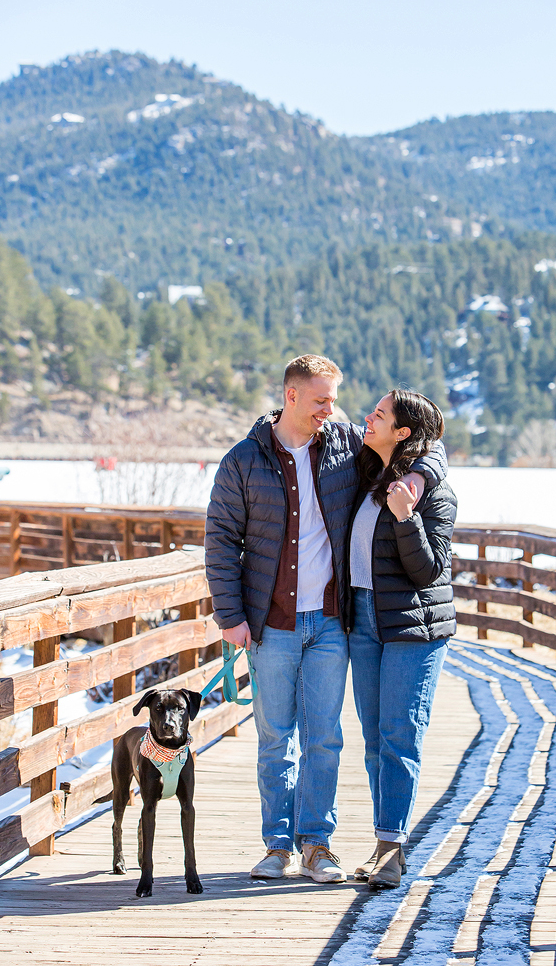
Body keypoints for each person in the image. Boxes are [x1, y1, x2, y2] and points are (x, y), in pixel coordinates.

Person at [204, 356, 447, 883]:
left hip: (335, 622)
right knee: (275, 736)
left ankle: (318, 844)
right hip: (271, 622)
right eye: (321, 400)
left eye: (333, 400)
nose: (332, 411)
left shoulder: (341, 446)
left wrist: (424, 476)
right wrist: (230, 615)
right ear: (291, 396)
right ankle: (277, 845)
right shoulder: (243, 461)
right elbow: (221, 541)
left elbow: (422, 444)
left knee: (326, 737)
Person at [347, 388, 457, 890]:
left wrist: (405, 516)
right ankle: (381, 842)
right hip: (364, 621)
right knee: (374, 742)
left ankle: (393, 849)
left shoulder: (432, 493)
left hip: (413, 627)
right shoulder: (370, 476)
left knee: (399, 738)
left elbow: (428, 569)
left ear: (403, 432)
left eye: (380, 414)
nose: (368, 418)